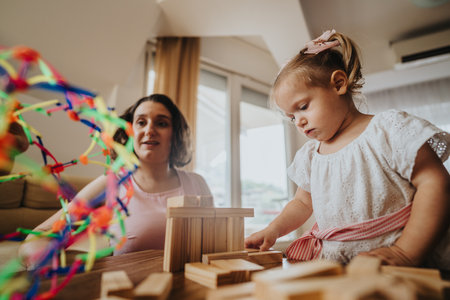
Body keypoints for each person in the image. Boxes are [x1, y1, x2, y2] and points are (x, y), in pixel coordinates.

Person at [244, 30, 450, 269]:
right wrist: (273, 230)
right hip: (339, 267)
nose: (298, 121)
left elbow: (435, 183)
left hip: (402, 262)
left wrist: (406, 252)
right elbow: (301, 204)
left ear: (339, 84)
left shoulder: (388, 130)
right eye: (291, 117)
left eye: (302, 107)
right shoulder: (310, 157)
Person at [19, 94, 212, 261]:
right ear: (130, 132)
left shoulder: (198, 183)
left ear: (175, 134)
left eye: (161, 123)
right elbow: (39, 236)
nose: (149, 130)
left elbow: (215, 241)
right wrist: (44, 259)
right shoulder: (112, 183)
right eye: (141, 122)